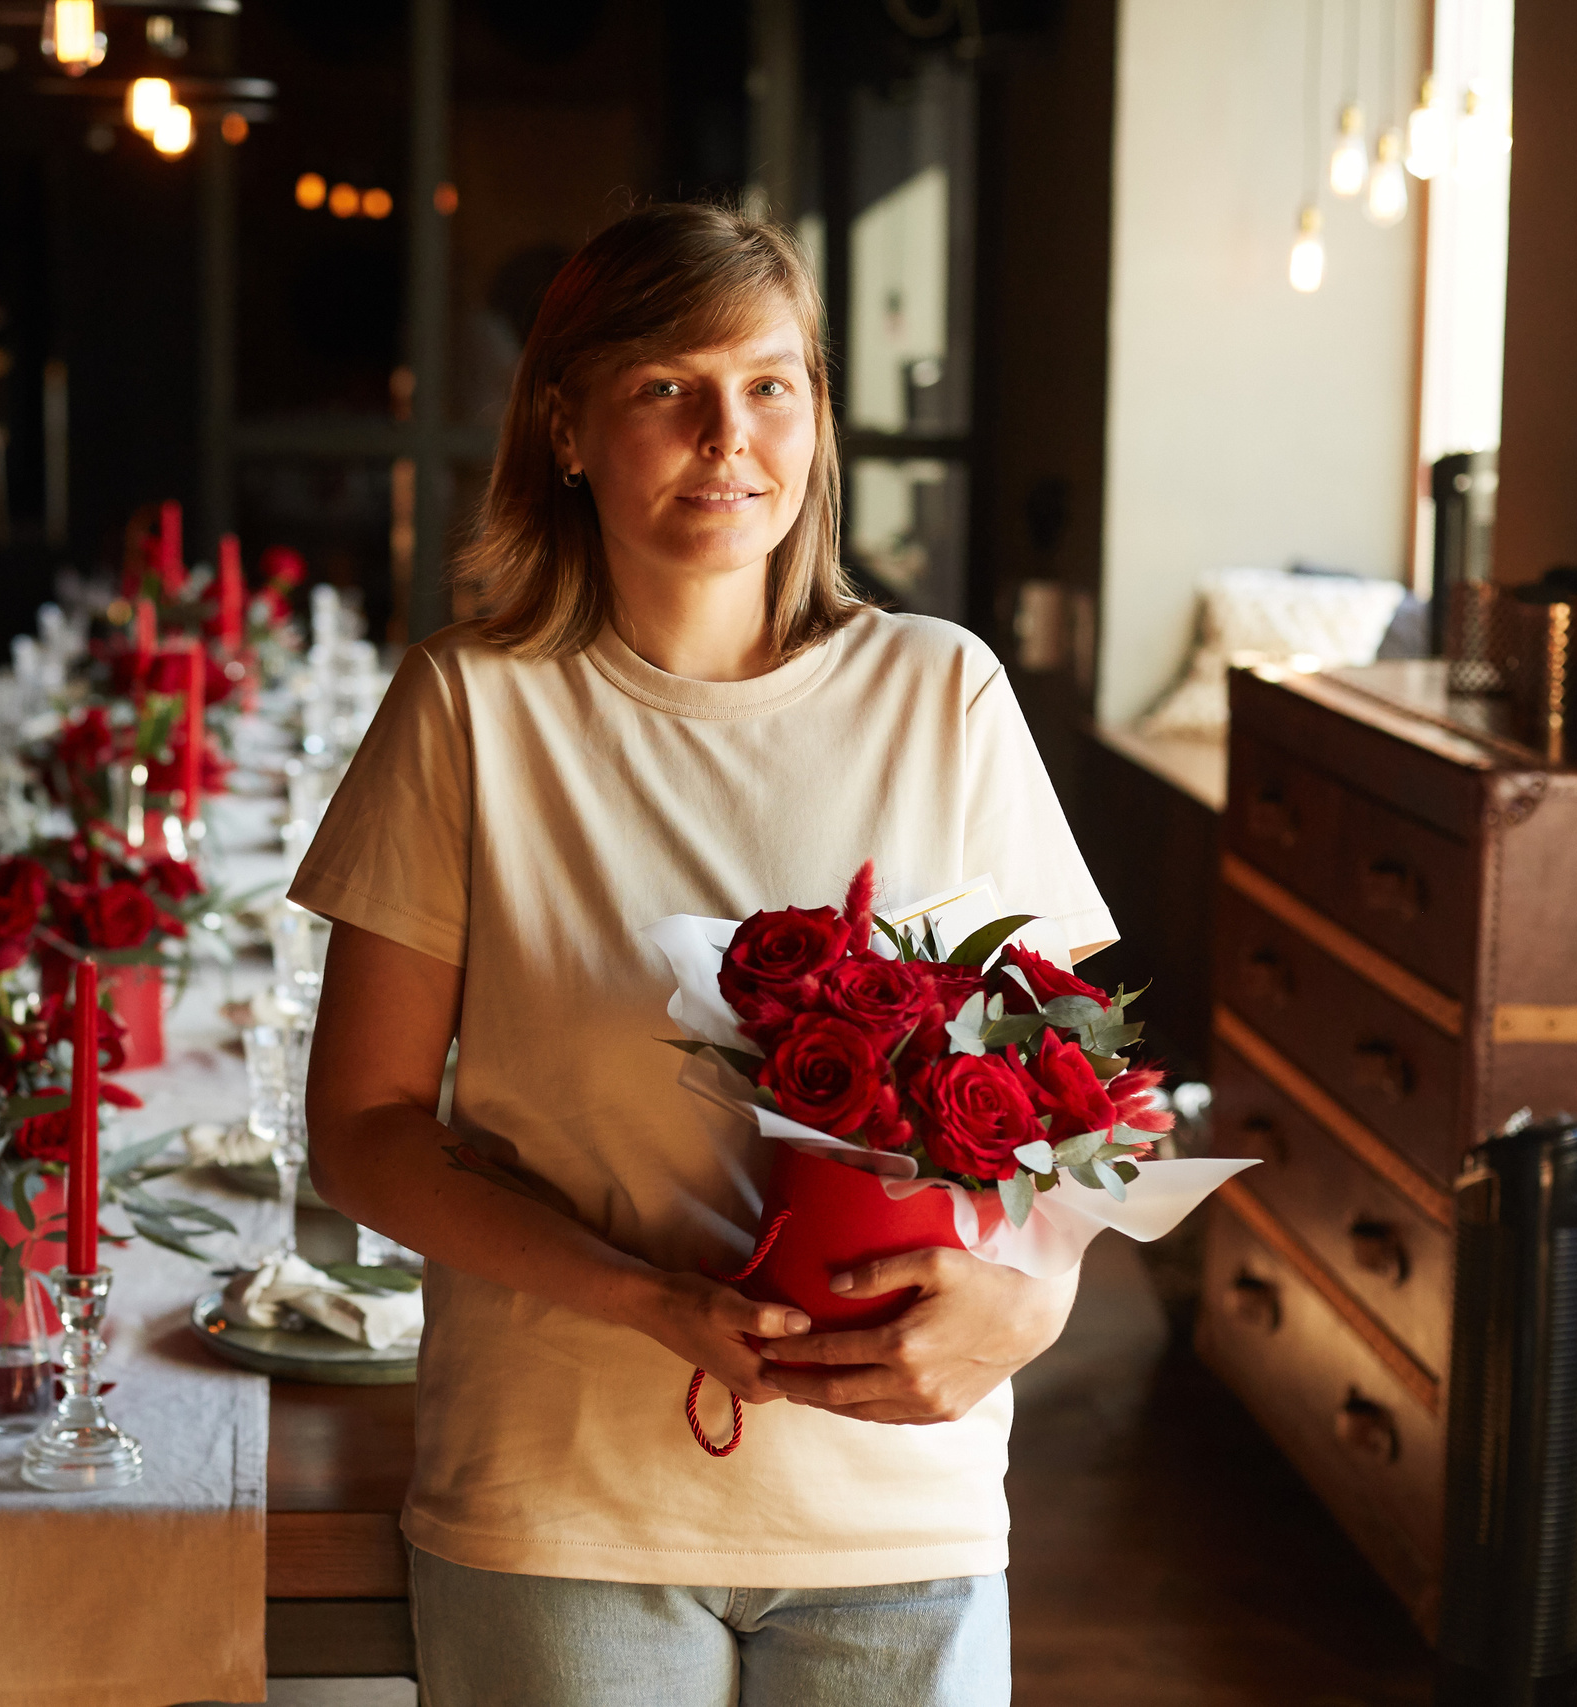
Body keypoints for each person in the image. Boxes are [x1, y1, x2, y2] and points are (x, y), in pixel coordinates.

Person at [293, 202, 1116, 1707]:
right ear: (566, 424)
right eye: (669, 388)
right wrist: (642, 1299)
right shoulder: (472, 710)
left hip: (898, 1508)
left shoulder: (946, 692)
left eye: (771, 385)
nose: (729, 437)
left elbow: (1077, 1104)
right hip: (561, 1499)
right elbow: (360, 1134)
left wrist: (1039, 1300)